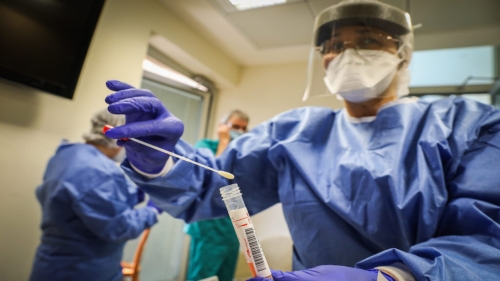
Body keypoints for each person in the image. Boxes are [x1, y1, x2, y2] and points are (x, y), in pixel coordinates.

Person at [103, 0, 500, 280]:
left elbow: (489, 240)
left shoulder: (468, 125)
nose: (347, 53)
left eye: (367, 40)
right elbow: (216, 187)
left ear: (403, 53)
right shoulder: (291, 134)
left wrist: (396, 277)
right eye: (334, 45)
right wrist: (160, 159)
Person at [29, 109, 162, 281]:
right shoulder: (99, 172)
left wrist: (138, 192)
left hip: (56, 263)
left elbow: (92, 203)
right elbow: (119, 228)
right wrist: (152, 210)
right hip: (81, 270)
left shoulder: (67, 156)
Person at [184, 110, 249, 281]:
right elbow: (212, 177)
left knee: (225, 276)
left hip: (232, 227)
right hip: (207, 227)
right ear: (222, 127)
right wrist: (225, 142)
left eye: (244, 128)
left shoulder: (241, 155)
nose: (240, 132)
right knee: (203, 277)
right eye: (235, 127)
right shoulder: (204, 146)